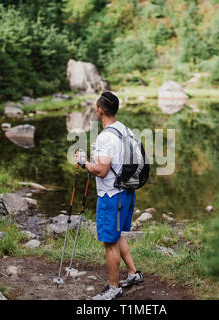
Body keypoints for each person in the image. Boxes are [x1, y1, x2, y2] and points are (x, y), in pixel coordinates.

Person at [77, 91, 144, 300]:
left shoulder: (106, 136)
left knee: (110, 242)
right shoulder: (123, 129)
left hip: (111, 195)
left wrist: (83, 163)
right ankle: (133, 274)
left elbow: (102, 170)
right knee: (117, 236)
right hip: (127, 192)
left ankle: (114, 288)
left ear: (99, 110)